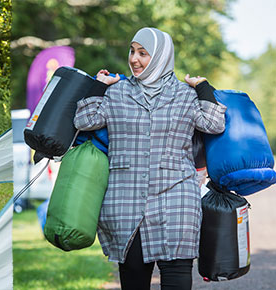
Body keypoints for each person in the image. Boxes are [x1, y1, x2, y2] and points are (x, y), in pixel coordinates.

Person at [74, 27, 225, 289]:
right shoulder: (117, 93)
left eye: (143, 53)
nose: (134, 59)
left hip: (177, 200)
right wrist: (99, 85)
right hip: (125, 201)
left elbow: (214, 124)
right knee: (133, 279)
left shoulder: (185, 95)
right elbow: (84, 120)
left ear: (161, 56)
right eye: (132, 51)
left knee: (177, 280)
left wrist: (203, 87)